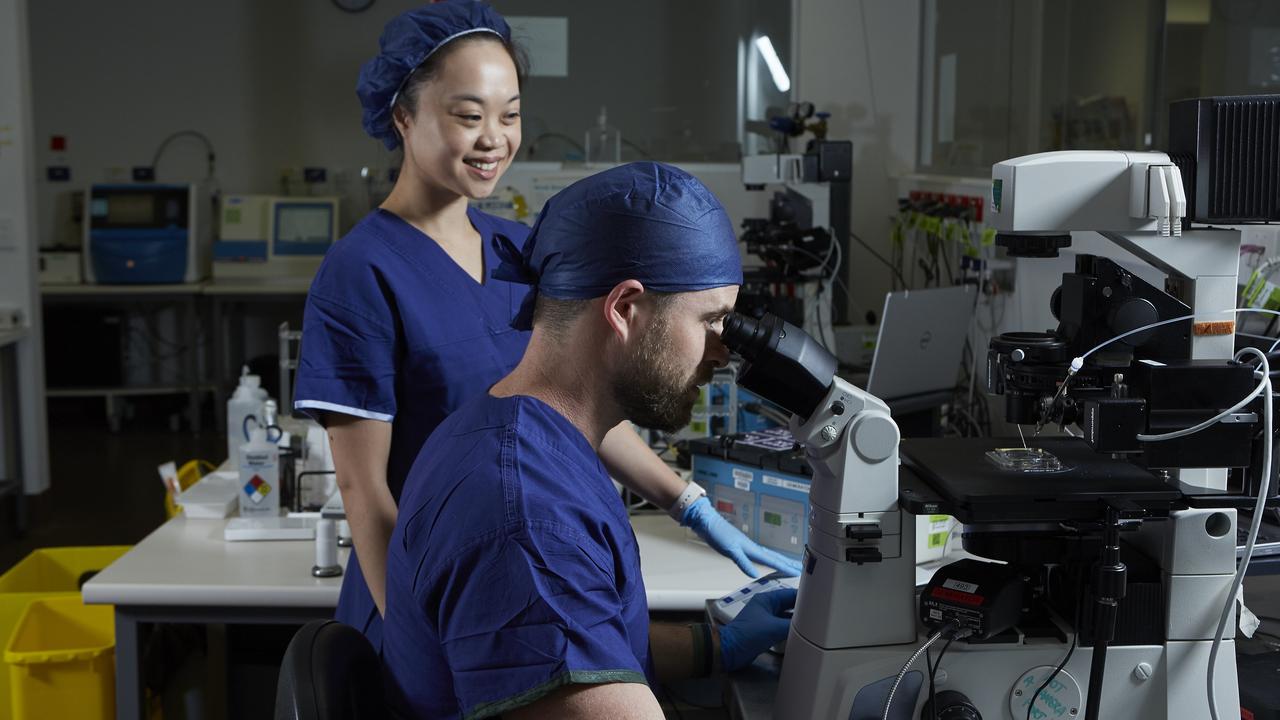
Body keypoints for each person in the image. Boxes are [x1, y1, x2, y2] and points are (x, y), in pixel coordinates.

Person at [294, 1, 799, 651]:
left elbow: (572, 402)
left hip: (506, 567)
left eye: (510, 116)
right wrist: (416, 639)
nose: (494, 139)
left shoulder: (514, 249)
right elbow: (364, 493)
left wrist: (692, 506)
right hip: (420, 593)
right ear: (402, 115)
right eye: (468, 115)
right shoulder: (361, 273)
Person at [382, 162, 798, 719]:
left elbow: (584, 636)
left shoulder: (510, 431)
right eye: (711, 321)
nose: (722, 353)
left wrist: (713, 646)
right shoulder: (526, 517)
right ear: (624, 309)